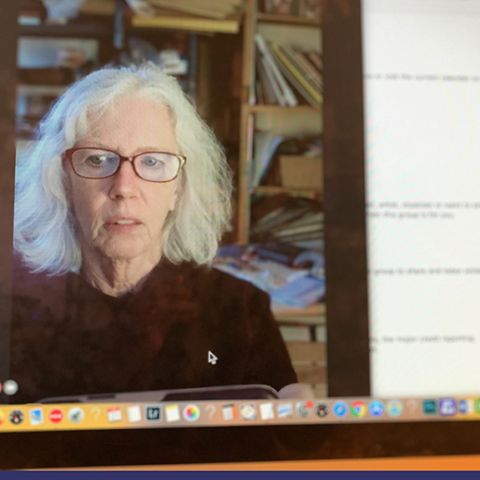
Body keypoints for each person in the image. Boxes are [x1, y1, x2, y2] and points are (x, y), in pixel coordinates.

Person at [10, 63, 306, 404]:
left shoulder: (240, 311)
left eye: (152, 162)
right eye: (97, 160)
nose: (124, 188)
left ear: (178, 189)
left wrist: (301, 434)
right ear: (64, 181)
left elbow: (284, 447)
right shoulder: (16, 312)